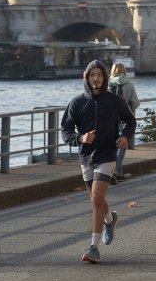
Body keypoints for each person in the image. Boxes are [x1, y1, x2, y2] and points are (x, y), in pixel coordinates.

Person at [59, 60, 136, 264]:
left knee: (95, 199)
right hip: (86, 156)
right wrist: (80, 138)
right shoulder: (77, 103)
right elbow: (65, 131)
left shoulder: (114, 100)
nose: (96, 78)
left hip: (107, 155)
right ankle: (110, 220)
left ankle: (93, 247)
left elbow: (131, 120)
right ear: (86, 77)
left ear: (105, 77)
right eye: (92, 75)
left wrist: (125, 136)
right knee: (97, 200)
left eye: (100, 75)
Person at [108, 62, 139, 182]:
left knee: (113, 146)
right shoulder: (129, 85)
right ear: (124, 71)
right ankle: (116, 171)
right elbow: (135, 102)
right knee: (122, 146)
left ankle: (118, 173)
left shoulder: (109, 84)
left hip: (111, 119)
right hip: (125, 119)